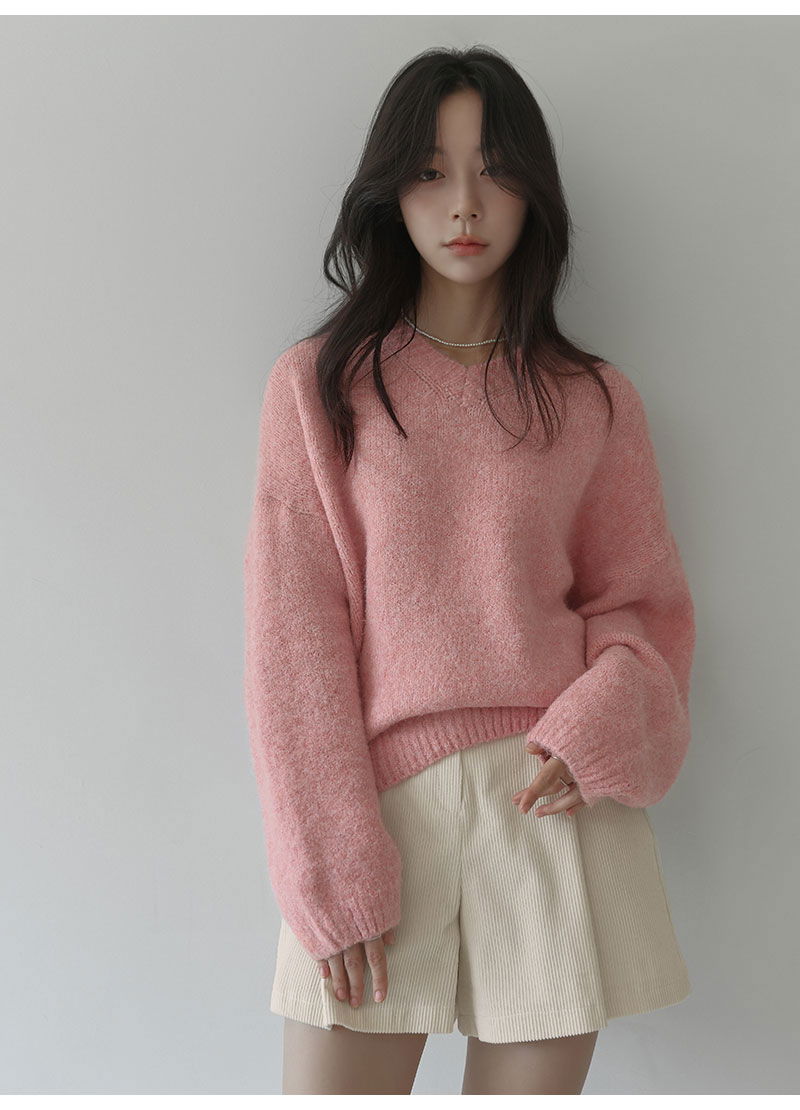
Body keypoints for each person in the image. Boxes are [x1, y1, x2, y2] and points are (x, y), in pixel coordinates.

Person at [242, 45, 696, 1096]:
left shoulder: (593, 401)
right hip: (375, 809)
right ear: (388, 191)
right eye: (430, 171)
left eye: (492, 171)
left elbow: (642, 612)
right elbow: (292, 646)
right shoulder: (318, 389)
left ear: (533, 191)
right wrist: (329, 861)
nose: (463, 205)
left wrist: (602, 721)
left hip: (550, 807)